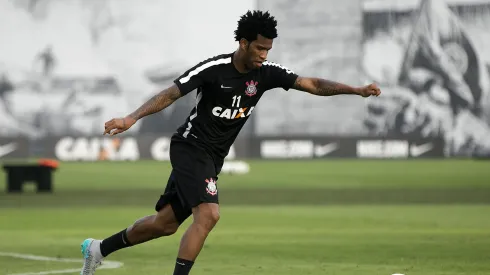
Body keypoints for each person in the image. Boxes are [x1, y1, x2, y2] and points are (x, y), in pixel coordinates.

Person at [80, 10, 381, 275]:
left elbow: (312, 84)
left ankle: (98, 249)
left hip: (212, 158)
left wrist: (356, 90)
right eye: (260, 48)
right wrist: (131, 118)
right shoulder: (214, 69)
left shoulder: (266, 74)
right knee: (209, 214)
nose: (264, 55)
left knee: (165, 224)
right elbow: (171, 93)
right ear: (243, 43)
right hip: (190, 146)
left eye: (268, 49)